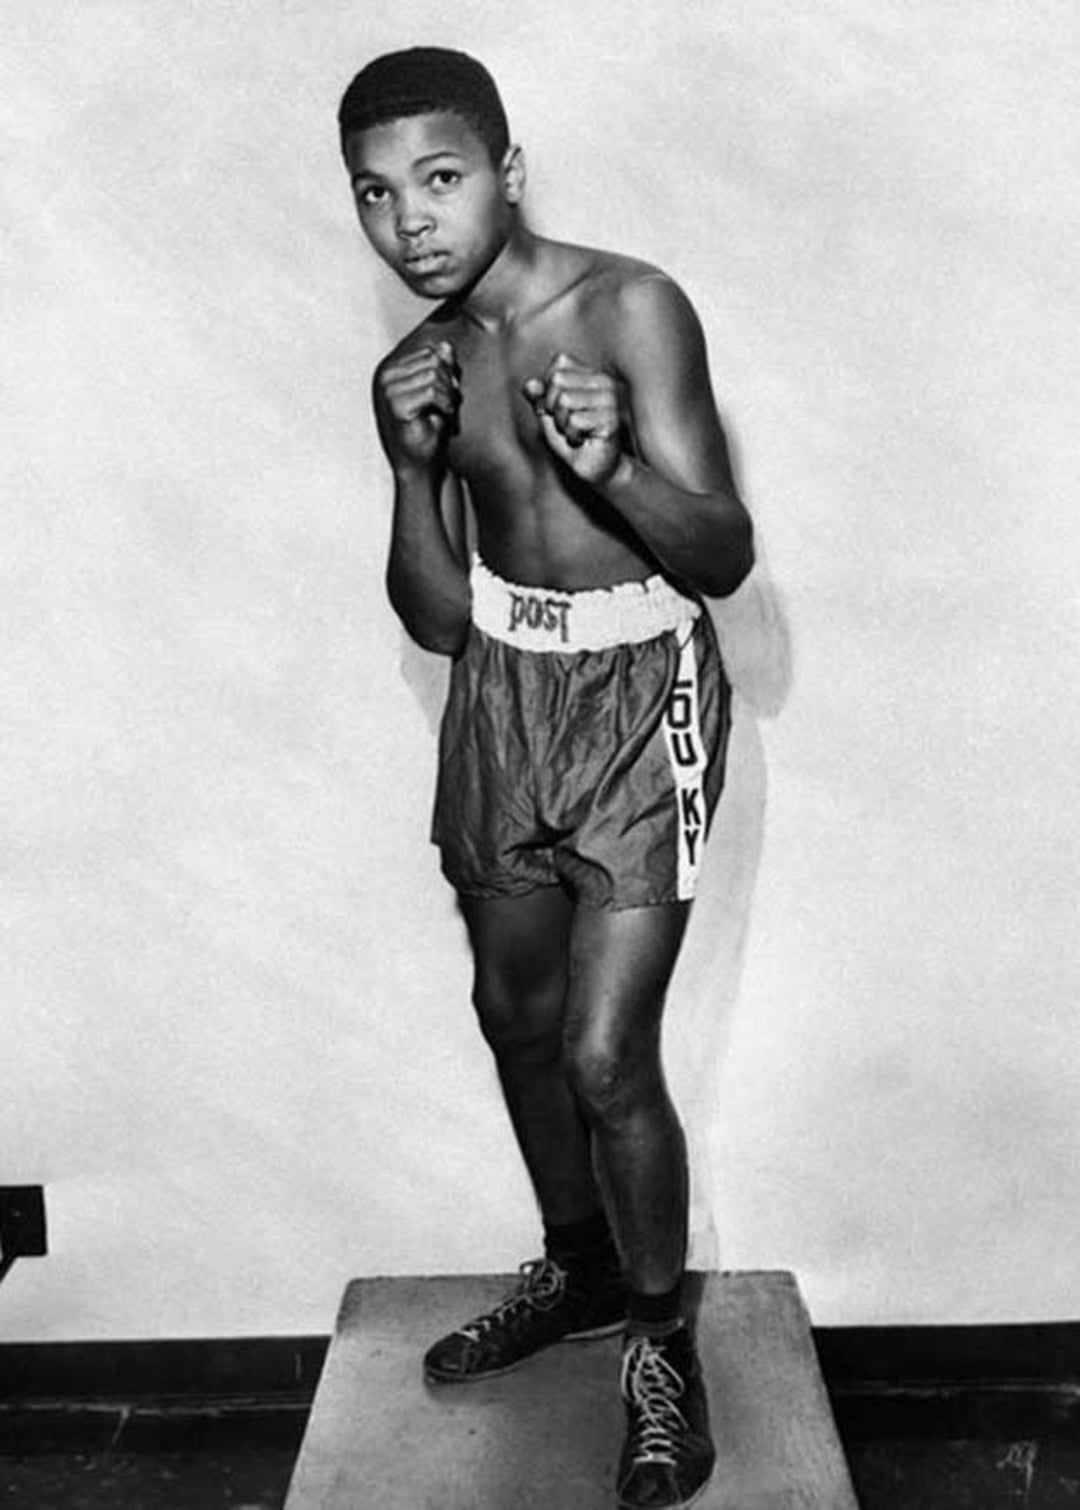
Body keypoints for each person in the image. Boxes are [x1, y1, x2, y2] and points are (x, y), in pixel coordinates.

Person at [338, 46, 754, 1510]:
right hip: (502, 691)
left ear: (507, 173)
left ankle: (660, 1342)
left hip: (643, 696)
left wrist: (617, 470)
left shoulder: (631, 308)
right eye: (376, 195)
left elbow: (721, 556)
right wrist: (408, 467)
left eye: (440, 178)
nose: (412, 221)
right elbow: (438, 620)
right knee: (511, 1014)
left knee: (602, 1053)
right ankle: (578, 1269)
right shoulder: (423, 365)